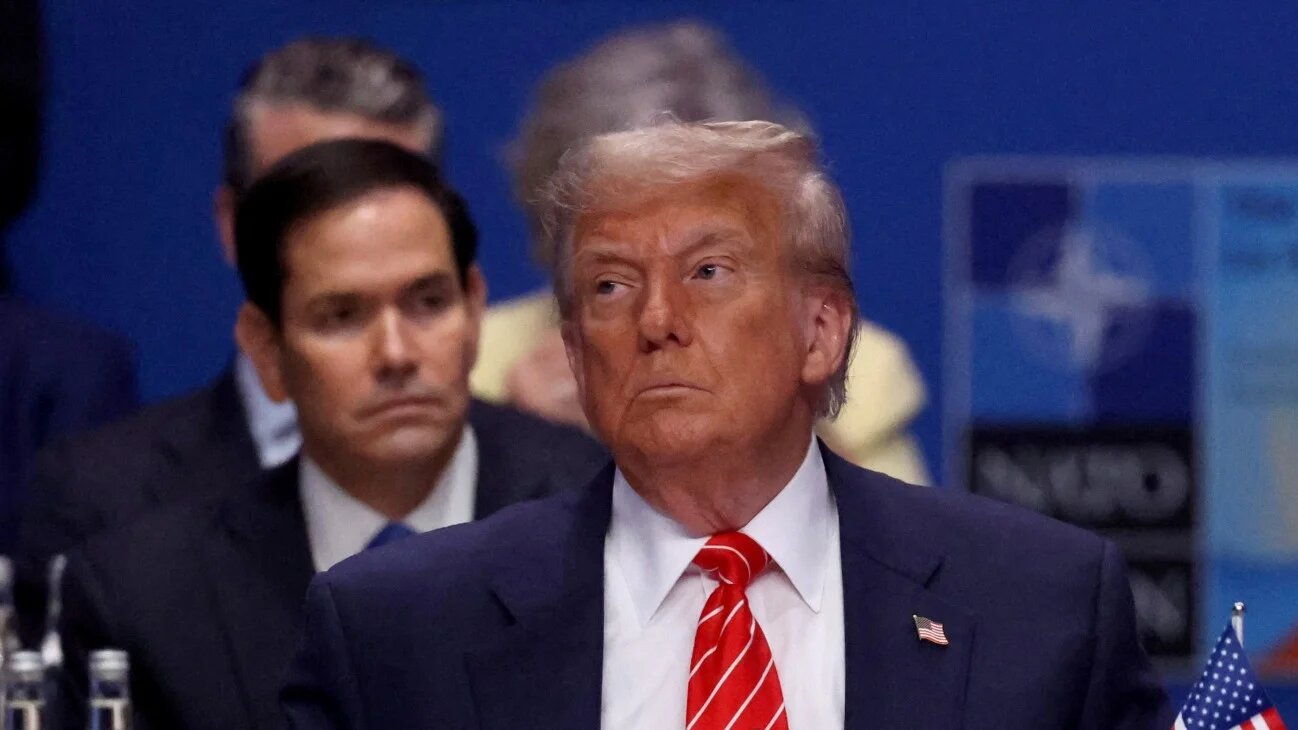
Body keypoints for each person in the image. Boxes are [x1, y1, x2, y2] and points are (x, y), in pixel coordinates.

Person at [282, 121, 1172, 729]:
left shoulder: (1042, 608)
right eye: (609, 285)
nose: (655, 320)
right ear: (576, 354)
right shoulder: (396, 635)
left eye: (707, 272)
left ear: (821, 330)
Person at [56, 139, 607, 730]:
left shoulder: (610, 524)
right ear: (266, 350)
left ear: (474, 310)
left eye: (428, 302)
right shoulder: (145, 600)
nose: (396, 354)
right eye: (342, 316)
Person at [16, 37, 439, 636]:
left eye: (386, 205)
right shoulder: (99, 498)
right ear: (231, 225)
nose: (355, 246)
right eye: (308, 204)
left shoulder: (555, 482)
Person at [470, 21, 930, 484]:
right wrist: (516, 435)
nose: (659, 313)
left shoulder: (855, 367)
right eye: (617, 271)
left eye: (706, 266)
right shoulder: (470, 362)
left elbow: (903, 543)